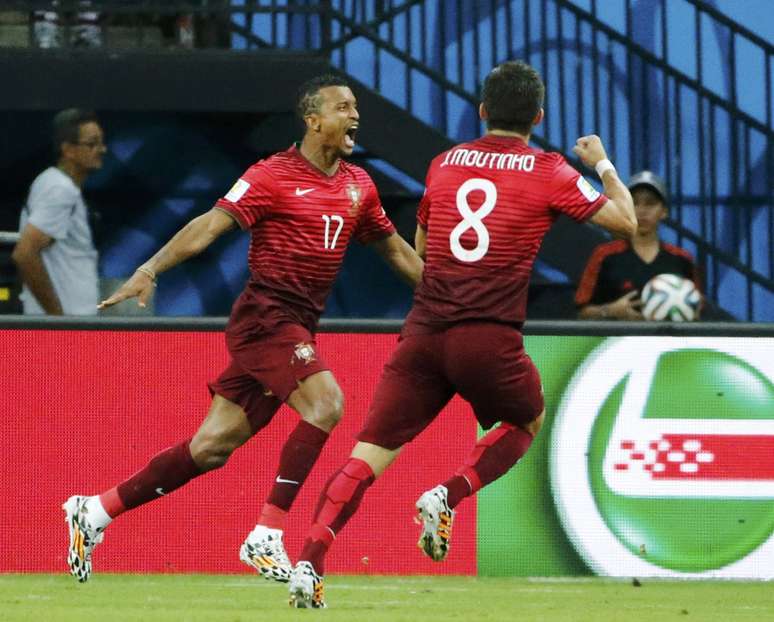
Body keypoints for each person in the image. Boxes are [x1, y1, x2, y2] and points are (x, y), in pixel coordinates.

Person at [287, 60, 637, 608]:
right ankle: (446, 497)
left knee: (367, 455)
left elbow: (423, 250)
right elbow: (626, 222)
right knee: (526, 419)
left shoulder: (445, 163)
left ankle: (308, 563)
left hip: (424, 333)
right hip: (488, 338)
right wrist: (601, 164)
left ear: (481, 111)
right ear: (538, 117)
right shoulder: (547, 169)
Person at [61, 74, 424, 584]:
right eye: (343, 107)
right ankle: (267, 535)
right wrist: (149, 269)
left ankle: (94, 511)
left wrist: (443, 295)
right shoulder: (271, 175)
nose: (355, 116)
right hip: (265, 319)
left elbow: (394, 250)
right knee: (327, 405)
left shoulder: (357, 186)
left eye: (356, 106)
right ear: (313, 119)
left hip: (296, 326)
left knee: (211, 447)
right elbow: (210, 225)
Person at [12, 108, 106, 316]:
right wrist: (57, 320)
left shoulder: (56, 184)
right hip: (64, 330)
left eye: (101, 142)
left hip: (69, 325)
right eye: (92, 143)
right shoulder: (59, 189)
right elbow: (25, 253)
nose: (102, 149)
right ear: (68, 150)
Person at [574, 170, 702, 320]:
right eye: (634, 203)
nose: (642, 211)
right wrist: (610, 310)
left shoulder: (682, 259)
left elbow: (697, 311)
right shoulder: (605, 255)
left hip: (669, 342)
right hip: (617, 342)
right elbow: (581, 313)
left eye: (650, 203)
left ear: (664, 211)